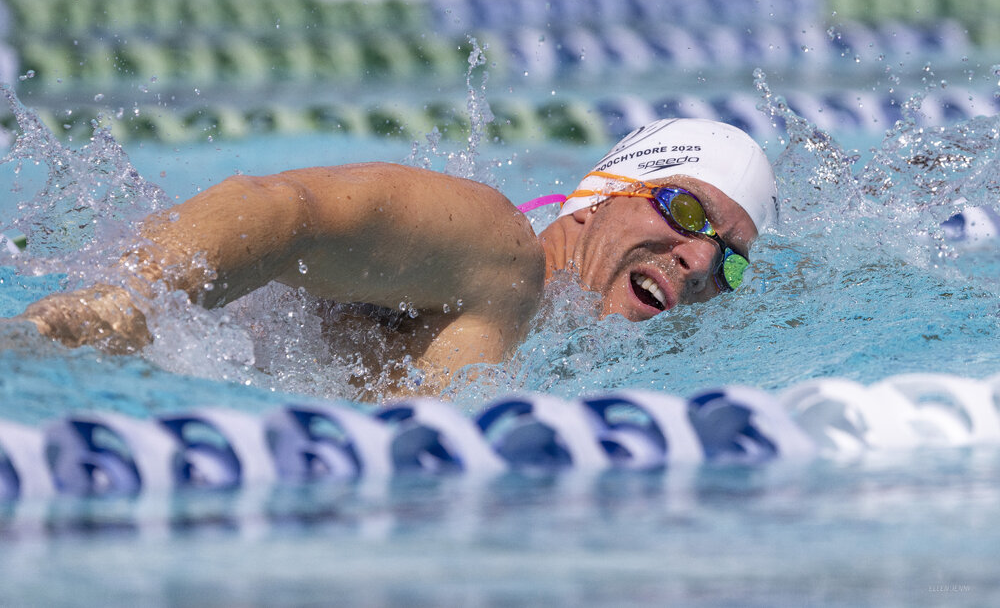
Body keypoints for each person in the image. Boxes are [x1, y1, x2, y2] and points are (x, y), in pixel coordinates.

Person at [14, 118, 777, 397]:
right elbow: (282, 209)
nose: (699, 260)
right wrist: (121, 305)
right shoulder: (502, 256)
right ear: (601, 195)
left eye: (730, 262)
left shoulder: (557, 352)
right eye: (684, 210)